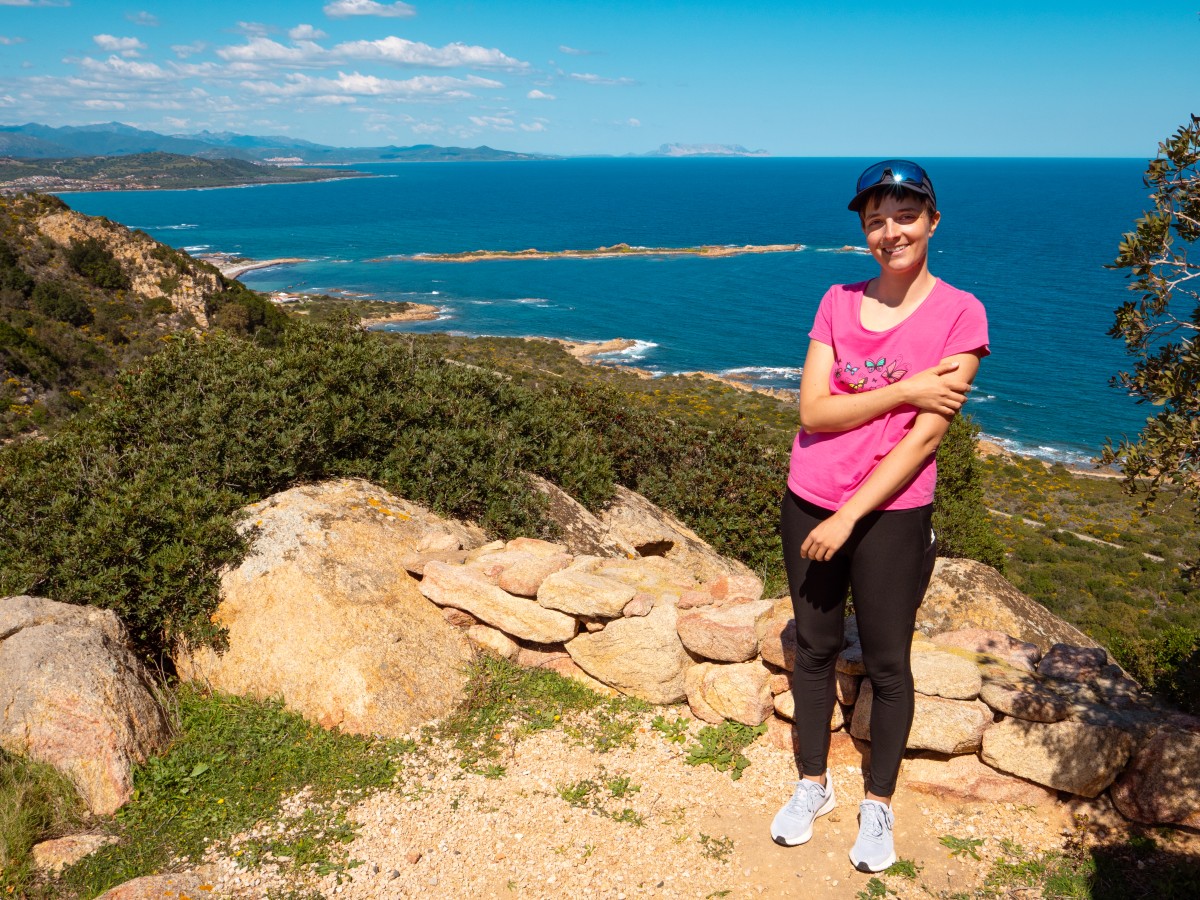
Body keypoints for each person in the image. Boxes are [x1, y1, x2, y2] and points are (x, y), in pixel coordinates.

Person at [769, 160, 989, 873]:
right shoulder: (836, 300)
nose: (888, 232)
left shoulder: (962, 314)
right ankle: (812, 785)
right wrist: (907, 389)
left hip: (892, 513)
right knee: (816, 645)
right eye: (874, 220)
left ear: (932, 220)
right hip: (809, 497)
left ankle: (880, 803)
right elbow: (813, 411)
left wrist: (850, 517)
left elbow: (927, 440)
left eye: (903, 216)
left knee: (890, 663)